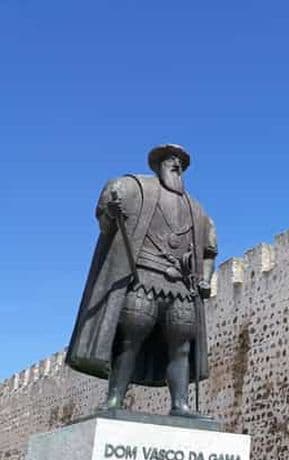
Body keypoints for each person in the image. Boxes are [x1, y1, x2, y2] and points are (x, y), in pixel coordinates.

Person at [67, 144, 217, 417]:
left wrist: (205, 280)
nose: (176, 164)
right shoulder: (135, 188)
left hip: (182, 287)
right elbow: (106, 219)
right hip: (144, 277)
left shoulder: (197, 210)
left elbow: (208, 252)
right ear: (159, 164)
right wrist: (111, 211)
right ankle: (115, 399)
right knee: (130, 338)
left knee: (181, 347)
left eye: (181, 162)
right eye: (171, 160)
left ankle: (180, 405)